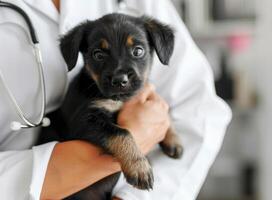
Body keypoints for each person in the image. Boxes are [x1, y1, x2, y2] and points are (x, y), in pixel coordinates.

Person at [0, 0, 231, 199]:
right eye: (99, 55)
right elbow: (94, 125)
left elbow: (198, 108)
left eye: (137, 52)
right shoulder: (86, 94)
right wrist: (134, 142)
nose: (120, 74)